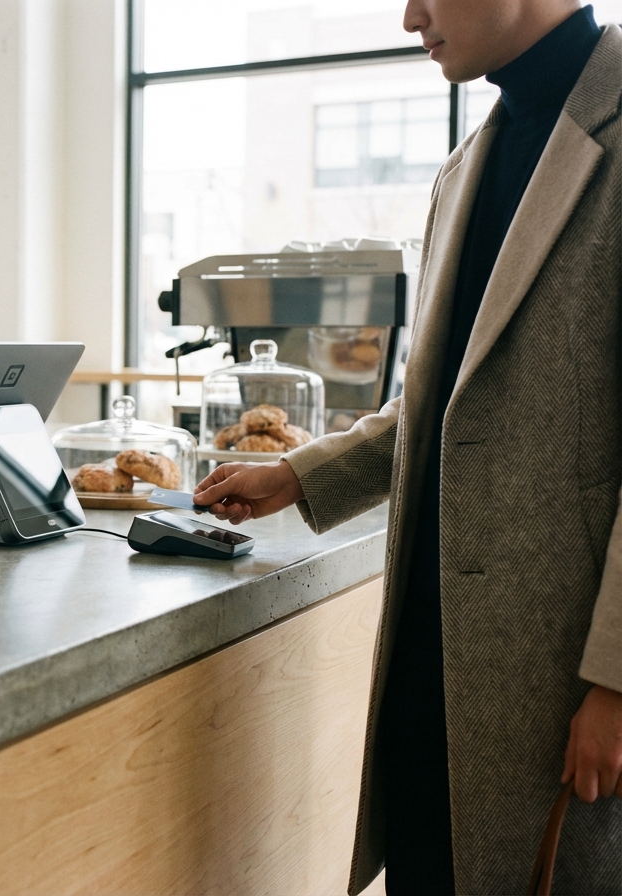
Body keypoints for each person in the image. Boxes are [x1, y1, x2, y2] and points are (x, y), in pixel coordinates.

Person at [193, 1, 622, 893]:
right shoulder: (469, 163)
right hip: (435, 671)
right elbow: (442, 401)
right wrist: (298, 474)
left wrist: (618, 684)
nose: (407, 16)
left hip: (566, 685)